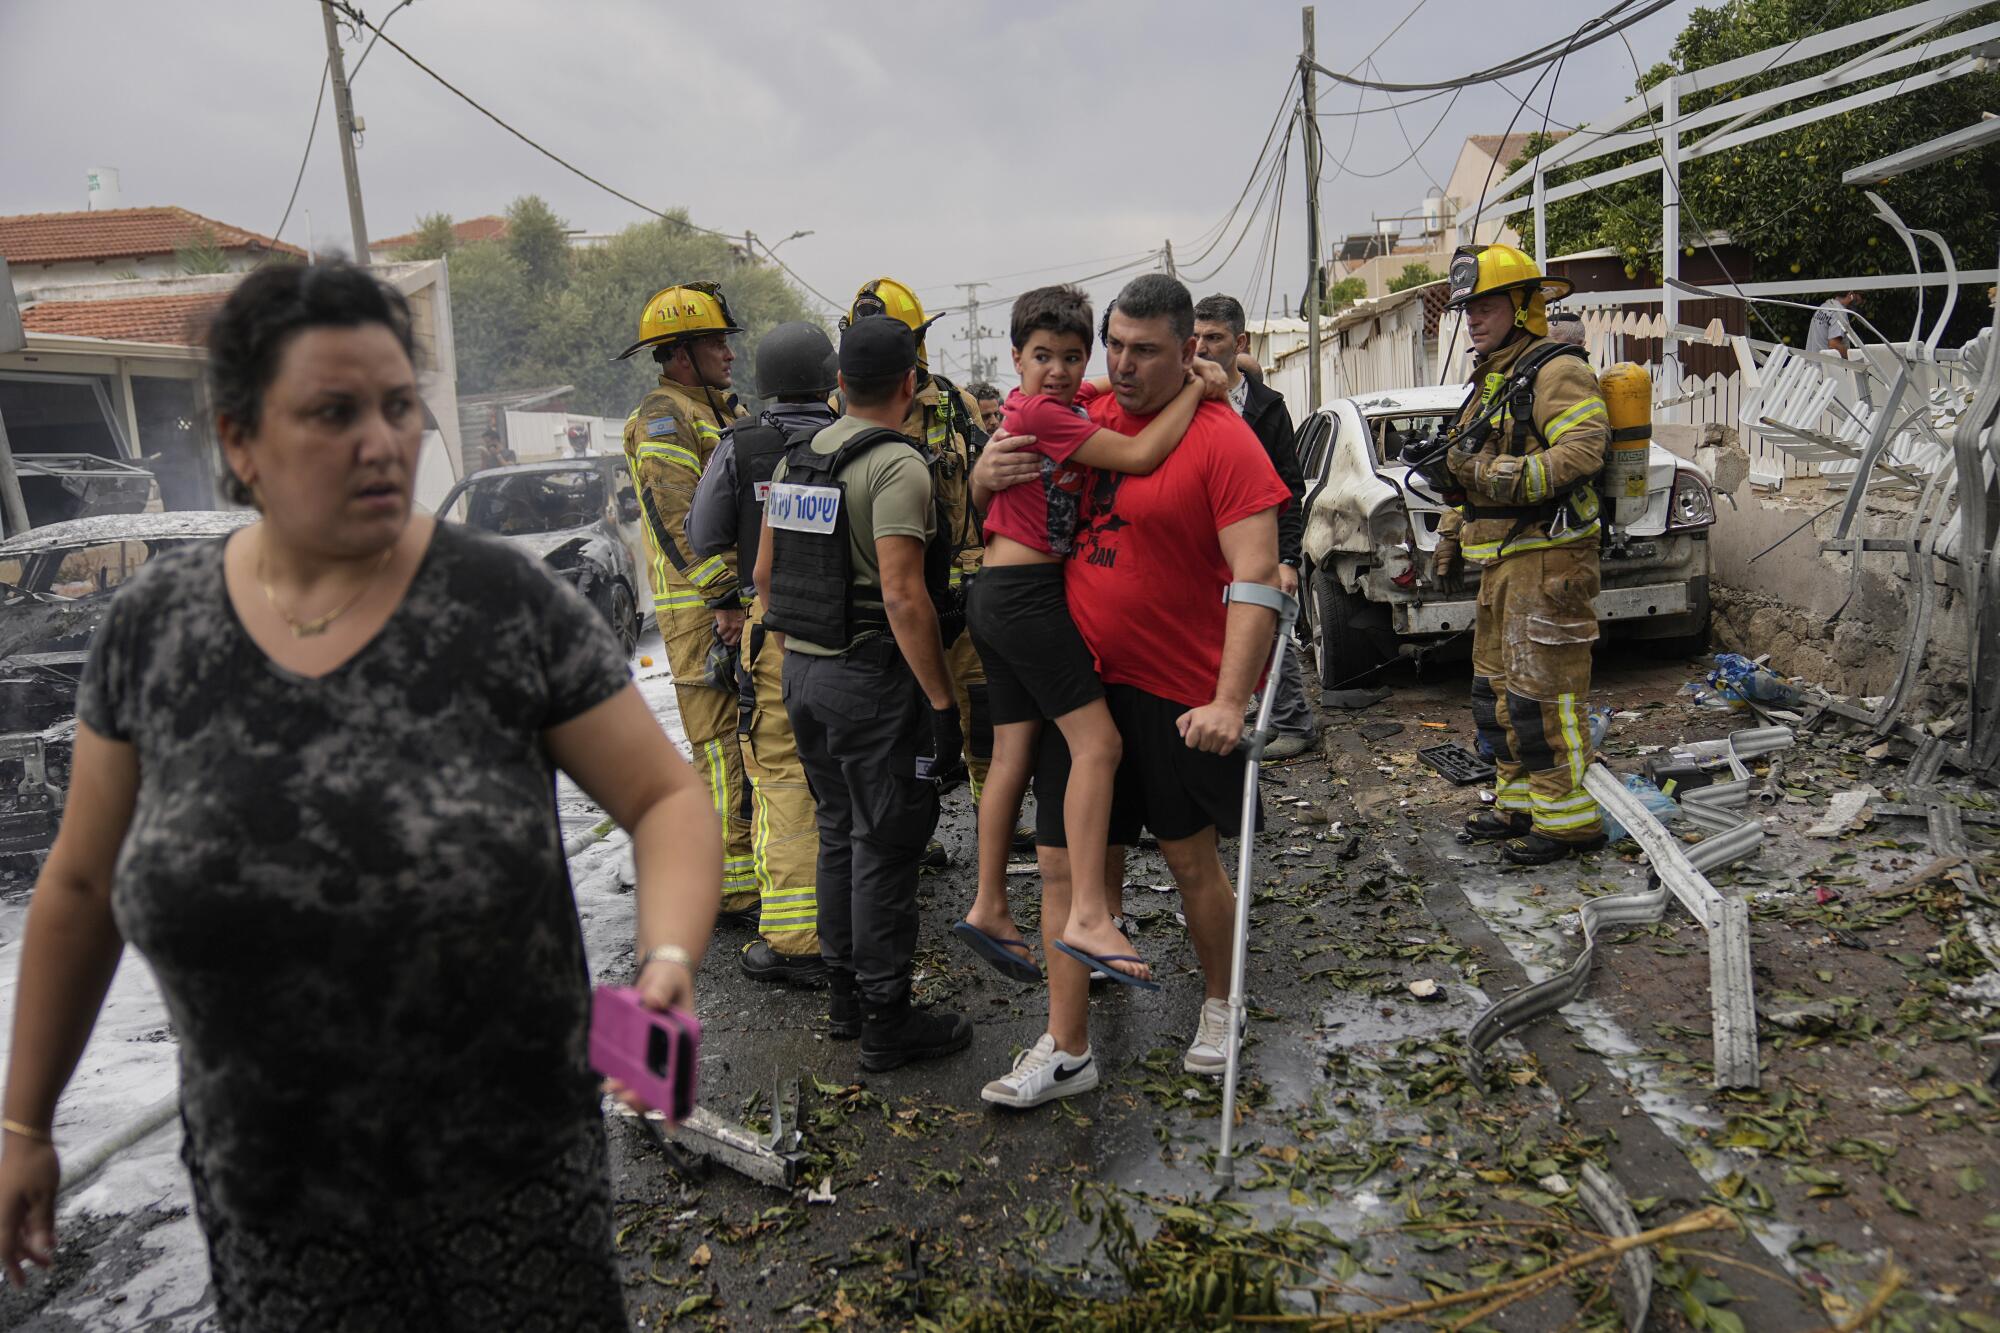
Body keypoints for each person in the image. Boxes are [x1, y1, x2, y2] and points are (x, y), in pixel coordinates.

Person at [0, 262, 720, 1327]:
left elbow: (665, 799)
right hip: (272, 1203)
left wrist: (661, 965)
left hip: (509, 1186)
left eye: (397, 406)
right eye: (333, 412)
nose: (381, 440)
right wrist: (24, 1125)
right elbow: (78, 884)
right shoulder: (156, 634)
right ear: (239, 438)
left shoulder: (503, 604)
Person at [970, 274, 1289, 1108]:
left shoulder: (1225, 440)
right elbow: (1013, 486)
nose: (1122, 363)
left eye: (1145, 350)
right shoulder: (1094, 410)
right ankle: (1067, 1046)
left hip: (1176, 691)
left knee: (1190, 863)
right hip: (1082, 681)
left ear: (1190, 350)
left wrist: (1229, 699)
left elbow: (1258, 576)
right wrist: (978, 476)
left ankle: (1221, 1003)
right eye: (1115, 345)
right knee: (1066, 870)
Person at [957, 284, 1218, 990]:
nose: (1063, 370)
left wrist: (1087, 376)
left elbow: (1085, 386)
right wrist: (1193, 389)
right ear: (1015, 358)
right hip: (1030, 598)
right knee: (1098, 745)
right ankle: (1091, 915)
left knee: (1012, 750)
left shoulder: (1040, 402)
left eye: (1075, 357)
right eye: (1044, 357)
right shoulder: (1047, 411)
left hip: (995, 593)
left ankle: (988, 903)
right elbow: (1140, 457)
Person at [755, 315, 973, 1072]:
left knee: (839, 833)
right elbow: (905, 597)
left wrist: (804, 662)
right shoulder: (895, 467)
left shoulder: (794, 463)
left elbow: (764, 580)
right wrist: (942, 705)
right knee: (886, 843)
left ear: (839, 383)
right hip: (871, 679)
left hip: (804, 676)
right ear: (911, 383)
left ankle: (845, 997)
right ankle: (888, 1019)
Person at [1433, 243, 1610, 865]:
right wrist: (1454, 525)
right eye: (1467, 308)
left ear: (1524, 305)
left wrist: (1496, 477)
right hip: (1503, 561)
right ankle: (1520, 806)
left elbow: (1583, 452)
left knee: (1542, 700)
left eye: (1485, 305)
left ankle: (1569, 825)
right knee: (1496, 696)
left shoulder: (1557, 370)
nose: (1473, 318)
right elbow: (1467, 468)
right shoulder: (1496, 376)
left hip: (1550, 558)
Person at [687, 322, 839, 988]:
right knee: (851, 777)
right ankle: (859, 923)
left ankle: (800, 940)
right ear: (830, 377)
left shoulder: (740, 445)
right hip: (857, 634)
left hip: (774, 632)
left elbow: (702, 532)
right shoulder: (857, 440)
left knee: (782, 777)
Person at [616, 282, 759, 923]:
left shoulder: (718, 409)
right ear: (679, 353)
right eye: (714, 342)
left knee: (749, 740)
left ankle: (749, 868)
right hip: (700, 612)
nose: (728, 352)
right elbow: (674, 515)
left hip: (728, 604)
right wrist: (722, 597)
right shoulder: (666, 415)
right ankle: (729, 887)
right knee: (720, 746)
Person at [841, 279, 993, 821]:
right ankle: (916, 828)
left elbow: (981, 495)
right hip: (887, 595)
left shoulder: (955, 405)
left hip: (962, 583)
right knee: (902, 716)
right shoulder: (842, 413)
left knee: (981, 706)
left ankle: (992, 808)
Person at [1193, 293, 1313, 758]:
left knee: (1266, 628)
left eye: (1214, 338)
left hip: (1253, 543)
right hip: (1203, 547)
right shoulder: (1184, 399)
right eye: (1196, 337)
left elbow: (1288, 487)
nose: (1202, 347)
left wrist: (1286, 559)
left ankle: (1293, 723)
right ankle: (1227, 714)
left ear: (1238, 341)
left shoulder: (1267, 407)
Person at [1805, 290, 1861, 356]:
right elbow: (1834, 345)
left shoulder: (1824, 306)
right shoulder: (1839, 312)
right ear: (1851, 295)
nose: (1860, 303)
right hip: (1825, 364)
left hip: (1812, 362)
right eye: (1861, 297)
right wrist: (1854, 358)